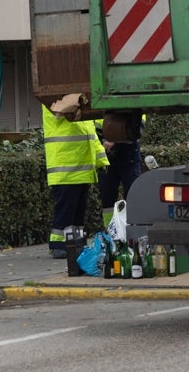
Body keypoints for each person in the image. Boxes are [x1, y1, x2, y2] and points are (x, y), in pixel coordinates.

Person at [43, 103, 108, 259]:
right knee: (66, 211)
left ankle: (76, 244)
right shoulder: (55, 101)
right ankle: (58, 245)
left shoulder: (83, 111)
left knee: (78, 213)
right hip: (65, 168)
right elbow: (62, 112)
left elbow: (92, 138)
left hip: (81, 169)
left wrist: (102, 160)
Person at [97, 117, 143, 227]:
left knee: (133, 196)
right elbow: (93, 132)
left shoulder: (133, 102)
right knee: (107, 201)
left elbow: (137, 130)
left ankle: (135, 230)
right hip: (107, 159)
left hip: (129, 158)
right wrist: (103, 142)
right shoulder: (99, 105)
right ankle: (110, 231)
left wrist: (114, 141)